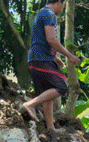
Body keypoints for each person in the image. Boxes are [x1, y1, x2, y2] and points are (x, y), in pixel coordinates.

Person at [22, 0, 81, 131]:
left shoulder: (41, 13)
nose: (62, 8)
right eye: (64, 4)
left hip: (36, 59)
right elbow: (51, 39)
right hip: (41, 59)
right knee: (61, 86)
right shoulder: (49, 14)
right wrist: (69, 56)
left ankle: (50, 128)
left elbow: (41, 41)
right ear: (59, 2)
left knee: (48, 93)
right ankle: (31, 104)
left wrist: (55, 57)